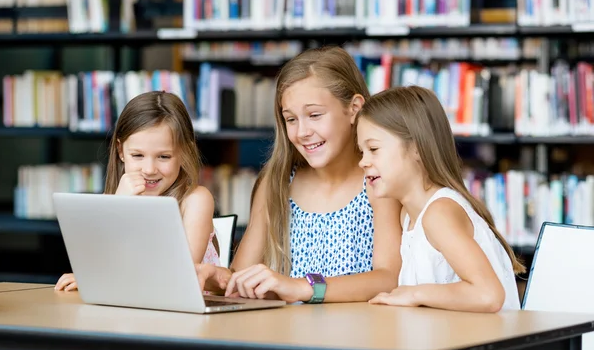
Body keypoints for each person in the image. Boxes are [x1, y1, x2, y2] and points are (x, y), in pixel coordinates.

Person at [198, 46, 402, 303]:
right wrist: (217, 278)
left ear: (354, 108)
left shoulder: (376, 182)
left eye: (315, 115)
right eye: (291, 119)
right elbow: (241, 276)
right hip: (289, 336)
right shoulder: (278, 184)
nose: (302, 131)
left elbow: (388, 277)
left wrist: (304, 288)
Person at [356, 85, 523, 312]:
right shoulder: (407, 215)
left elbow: (489, 295)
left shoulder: (439, 213)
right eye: (362, 152)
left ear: (416, 148)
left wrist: (415, 294)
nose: (363, 162)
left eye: (373, 149)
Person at [55, 91, 219, 292]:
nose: (149, 169)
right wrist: (118, 206)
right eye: (138, 155)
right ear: (120, 151)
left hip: (185, 313)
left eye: (164, 157)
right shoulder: (116, 198)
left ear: (184, 153)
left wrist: (105, 278)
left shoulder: (196, 200)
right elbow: (97, 264)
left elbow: (180, 274)